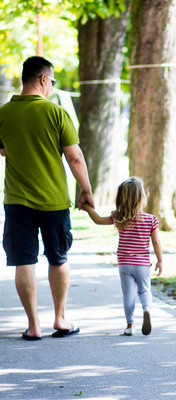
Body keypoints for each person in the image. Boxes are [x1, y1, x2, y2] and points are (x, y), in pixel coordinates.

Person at [0, 56, 94, 341]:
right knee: (58, 257)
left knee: (24, 260)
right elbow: (74, 157)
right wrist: (86, 190)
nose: (52, 87)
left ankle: (33, 326)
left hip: (17, 201)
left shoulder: (3, 113)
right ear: (43, 79)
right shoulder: (56, 114)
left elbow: (3, 151)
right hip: (53, 200)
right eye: (52, 82)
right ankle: (61, 319)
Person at [82, 177, 162, 336]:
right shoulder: (150, 220)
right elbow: (156, 242)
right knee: (144, 290)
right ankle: (146, 310)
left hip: (125, 264)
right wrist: (160, 260)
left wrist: (86, 207)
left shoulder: (119, 217)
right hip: (142, 264)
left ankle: (130, 325)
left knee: (128, 294)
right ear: (142, 198)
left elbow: (98, 220)